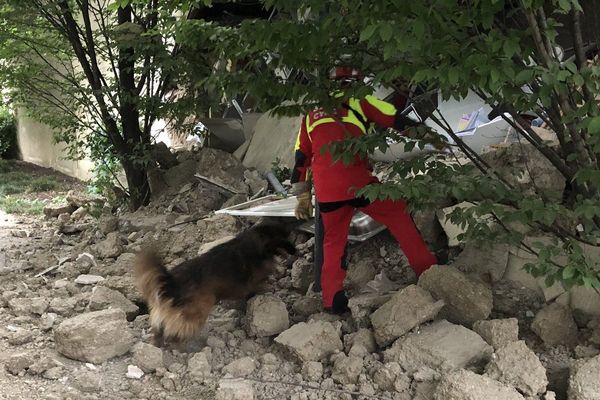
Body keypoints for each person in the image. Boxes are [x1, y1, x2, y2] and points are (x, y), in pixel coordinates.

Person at [291, 67, 447, 314]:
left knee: (333, 242)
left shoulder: (311, 114)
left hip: (327, 192)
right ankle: (427, 269)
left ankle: (332, 300)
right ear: (355, 81)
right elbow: (394, 118)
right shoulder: (359, 99)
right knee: (398, 214)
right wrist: (431, 137)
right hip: (356, 182)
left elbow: (301, 157)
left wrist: (302, 197)